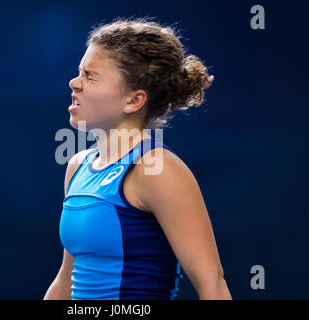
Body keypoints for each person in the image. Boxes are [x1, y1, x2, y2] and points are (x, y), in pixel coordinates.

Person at [44, 17, 232, 300]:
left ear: (134, 101)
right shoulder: (77, 167)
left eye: (90, 76)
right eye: (79, 72)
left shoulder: (159, 170)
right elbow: (66, 280)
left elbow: (212, 284)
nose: (74, 83)